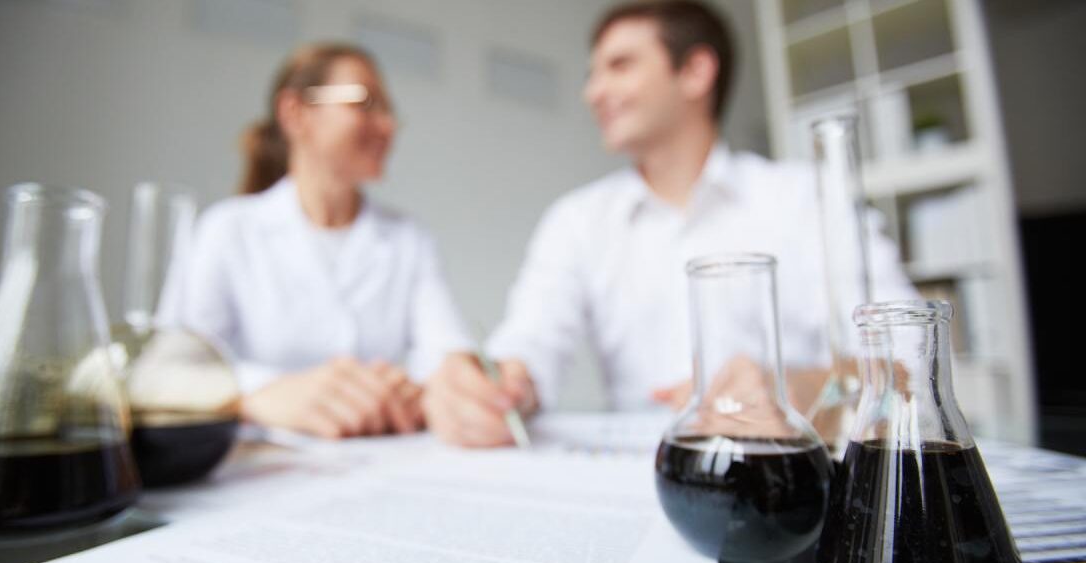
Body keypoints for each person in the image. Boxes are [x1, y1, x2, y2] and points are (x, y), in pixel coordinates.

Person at [421, 1, 917, 447]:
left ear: (696, 72)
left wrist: (803, 389)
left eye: (619, 66)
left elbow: (909, 359)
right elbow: (531, 342)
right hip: (646, 479)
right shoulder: (578, 220)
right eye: (592, 73)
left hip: (794, 476)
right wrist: (499, 386)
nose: (593, 92)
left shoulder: (805, 196)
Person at [168, 43, 472, 439]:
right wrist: (262, 394)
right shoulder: (227, 230)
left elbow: (447, 355)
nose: (388, 125)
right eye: (366, 103)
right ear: (295, 113)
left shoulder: (408, 239)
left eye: (389, 111)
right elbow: (169, 370)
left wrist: (422, 386)